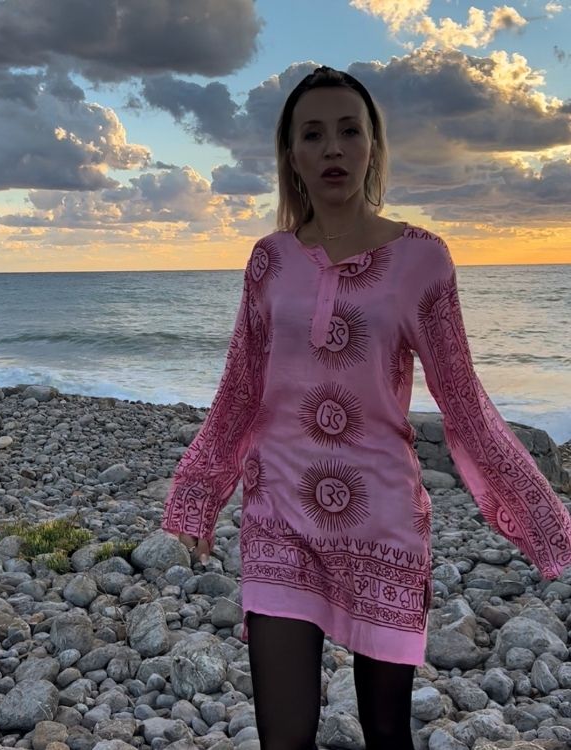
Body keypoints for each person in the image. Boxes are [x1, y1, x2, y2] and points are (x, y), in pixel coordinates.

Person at [162, 65, 571, 750]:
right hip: (278, 509)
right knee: (283, 736)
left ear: (373, 146)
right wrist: (199, 493)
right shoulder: (269, 260)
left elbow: (463, 401)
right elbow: (241, 388)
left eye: (349, 131)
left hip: (382, 517)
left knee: (386, 732)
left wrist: (543, 518)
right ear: (291, 155)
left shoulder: (422, 259)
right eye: (313, 134)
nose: (333, 148)